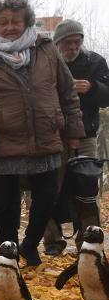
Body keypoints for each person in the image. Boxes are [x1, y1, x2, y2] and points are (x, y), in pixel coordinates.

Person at [0, 0, 84, 266]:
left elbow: (67, 90)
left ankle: (29, 244)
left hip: (46, 137)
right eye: (3, 22)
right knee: (5, 205)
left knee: (48, 196)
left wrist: (73, 130)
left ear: (26, 21)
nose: (10, 27)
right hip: (1, 143)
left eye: (16, 21)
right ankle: (8, 255)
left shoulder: (46, 49)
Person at [43, 19, 109, 253]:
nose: (73, 47)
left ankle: (89, 240)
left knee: (87, 190)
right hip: (53, 136)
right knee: (48, 188)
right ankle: (52, 240)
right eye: (68, 43)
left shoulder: (96, 62)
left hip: (86, 137)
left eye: (77, 41)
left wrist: (92, 88)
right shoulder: (47, 62)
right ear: (58, 43)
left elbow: (107, 97)